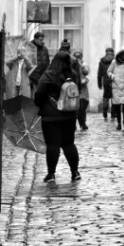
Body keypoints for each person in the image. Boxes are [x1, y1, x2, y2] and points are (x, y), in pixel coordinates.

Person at [33, 49, 81, 184]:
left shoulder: (48, 75)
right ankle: (75, 172)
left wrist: (39, 106)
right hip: (70, 115)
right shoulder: (73, 75)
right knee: (69, 143)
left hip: (51, 116)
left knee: (53, 144)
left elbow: (39, 94)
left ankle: (51, 174)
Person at [108, 48, 124, 131]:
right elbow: (109, 71)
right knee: (117, 105)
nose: (123, 56)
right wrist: (113, 76)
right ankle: (119, 122)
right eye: (122, 55)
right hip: (116, 86)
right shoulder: (114, 62)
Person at [72, 50, 91, 130]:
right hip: (75, 87)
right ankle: (74, 124)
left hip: (83, 88)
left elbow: (86, 72)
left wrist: (80, 65)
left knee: (83, 106)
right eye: (75, 56)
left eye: (79, 56)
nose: (77, 58)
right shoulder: (71, 65)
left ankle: (83, 122)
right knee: (75, 107)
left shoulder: (84, 64)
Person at [28, 31, 49, 96]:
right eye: (40, 40)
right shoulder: (29, 48)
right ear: (35, 39)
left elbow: (48, 62)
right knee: (33, 99)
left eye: (42, 40)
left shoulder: (45, 48)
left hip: (42, 78)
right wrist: (32, 77)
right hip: (32, 79)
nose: (42, 41)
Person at [97, 46, 115, 121]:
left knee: (106, 97)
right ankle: (113, 114)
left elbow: (99, 73)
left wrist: (99, 84)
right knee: (114, 98)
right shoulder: (115, 61)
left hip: (106, 82)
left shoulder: (102, 61)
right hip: (114, 81)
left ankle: (105, 112)